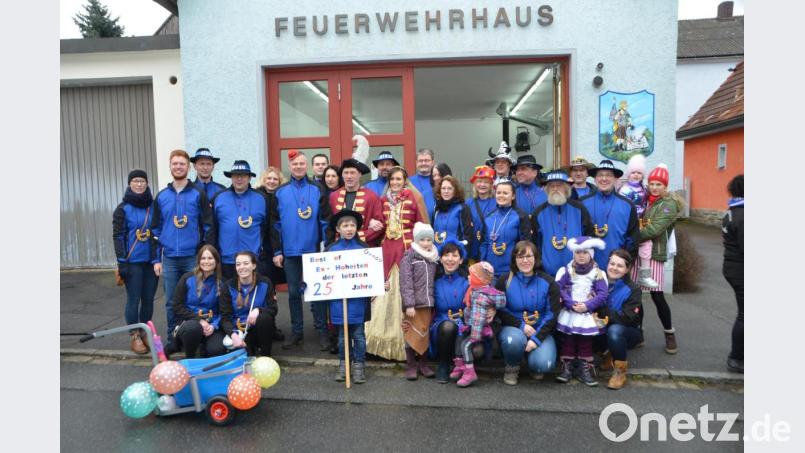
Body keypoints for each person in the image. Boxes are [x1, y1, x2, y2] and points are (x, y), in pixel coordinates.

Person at [365, 166, 428, 361]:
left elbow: (421, 225)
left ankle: (407, 346)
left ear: (405, 180)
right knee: (384, 294)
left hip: (407, 251)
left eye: (398, 179)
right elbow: (378, 225)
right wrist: (366, 232)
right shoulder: (382, 200)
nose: (395, 182)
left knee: (406, 295)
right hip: (387, 251)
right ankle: (380, 345)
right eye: (392, 179)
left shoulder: (413, 198)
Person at [151, 149, 213, 347]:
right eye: (175, 163)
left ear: (188, 167)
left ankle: (195, 337)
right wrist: (156, 259)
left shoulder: (198, 193)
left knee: (195, 299)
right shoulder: (161, 196)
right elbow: (155, 229)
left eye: (182, 164)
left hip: (191, 257)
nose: (178, 167)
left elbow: (207, 225)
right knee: (171, 301)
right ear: (170, 166)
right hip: (169, 258)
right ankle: (173, 337)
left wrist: (202, 252)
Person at [271, 149, 331, 350]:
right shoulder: (280, 192)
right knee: (294, 293)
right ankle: (297, 332)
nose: (298, 167)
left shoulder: (317, 188)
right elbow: (275, 224)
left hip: (314, 251)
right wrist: (277, 251)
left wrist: (325, 248)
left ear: (307, 166)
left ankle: (322, 332)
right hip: (290, 252)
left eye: (301, 164)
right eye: (295, 164)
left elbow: (325, 221)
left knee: (318, 293)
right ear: (290, 167)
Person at [495, 241, 560, 385]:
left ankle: (533, 362)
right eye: (520, 256)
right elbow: (500, 310)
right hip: (514, 330)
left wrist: (536, 339)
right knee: (514, 341)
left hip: (540, 331)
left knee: (543, 365)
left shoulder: (548, 282)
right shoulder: (504, 280)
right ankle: (512, 365)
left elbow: (552, 314)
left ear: (536, 258)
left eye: (529, 256)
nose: (525, 260)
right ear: (514, 259)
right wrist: (521, 325)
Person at [633, 163, 683, 354]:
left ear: (665, 186)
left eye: (659, 184)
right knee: (636, 295)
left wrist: (631, 235)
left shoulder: (668, 204)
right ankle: (638, 333)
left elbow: (655, 229)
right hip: (639, 253)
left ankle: (669, 334)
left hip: (655, 254)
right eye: (652, 183)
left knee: (657, 296)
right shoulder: (646, 199)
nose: (654, 187)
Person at [113, 169, 159, 354]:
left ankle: (145, 331)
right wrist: (121, 261)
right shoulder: (122, 209)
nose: (139, 184)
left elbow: (157, 232)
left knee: (148, 300)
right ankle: (134, 335)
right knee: (133, 299)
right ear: (130, 184)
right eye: (135, 181)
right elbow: (118, 236)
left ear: (147, 184)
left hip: (151, 261)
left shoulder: (154, 207)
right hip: (132, 263)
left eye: (142, 181)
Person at [554, 237, 609, 387]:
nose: (581, 255)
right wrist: (570, 303)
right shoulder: (566, 270)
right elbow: (558, 289)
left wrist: (587, 305)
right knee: (569, 339)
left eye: (585, 252)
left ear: (591, 254)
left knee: (585, 340)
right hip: (570, 310)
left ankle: (585, 367)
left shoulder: (597, 272)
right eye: (578, 252)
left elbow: (602, 294)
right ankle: (567, 366)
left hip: (586, 312)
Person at [325, 210, 372, 383]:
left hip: (359, 303)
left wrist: (379, 283)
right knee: (342, 338)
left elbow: (372, 275)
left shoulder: (365, 250)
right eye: (345, 225)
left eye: (352, 225)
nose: (349, 228)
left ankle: (359, 366)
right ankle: (344, 366)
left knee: (359, 336)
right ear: (338, 229)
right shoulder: (330, 250)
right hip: (338, 303)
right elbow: (321, 276)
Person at [208, 161, 272, 280]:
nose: (239, 178)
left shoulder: (261, 198)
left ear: (249, 178)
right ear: (231, 178)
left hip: (253, 260)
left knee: (252, 296)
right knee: (228, 295)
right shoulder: (219, 197)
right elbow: (212, 230)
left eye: (243, 175)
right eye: (235, 175)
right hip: (227, 260)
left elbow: (268, 229)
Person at [450, 261, 506, 387]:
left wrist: (474, 335)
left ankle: (470, 372)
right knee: (459, 337)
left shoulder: (480, 296)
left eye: (472, 276)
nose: (468, 277)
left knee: (465, 344)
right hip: (472, 324)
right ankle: (460, 365)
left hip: (479, 328)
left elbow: (478, 318)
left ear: (480, 280)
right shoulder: (475, 289)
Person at [596, 249, 644, 390]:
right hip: (603, 326)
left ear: (627, 269)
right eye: (612, 263)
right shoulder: (599, 282)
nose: (614, 268)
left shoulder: (633, 290)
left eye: (620, 266)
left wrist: (603, 313)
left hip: (628, 332)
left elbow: (627, 318)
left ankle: (620, 371)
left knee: (615, 331)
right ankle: (607, 353)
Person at [580, 159, 639, 270]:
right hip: (586, 269)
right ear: (595, 179)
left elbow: (632, 240)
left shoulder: (627, 206)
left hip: (616, 269)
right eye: (600, 175)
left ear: (616, 179)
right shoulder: (582, 203)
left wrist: (625, 264)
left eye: (608, 175)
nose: (604, 179)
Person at [532, 170, 594, 276]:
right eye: (552, 186)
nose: (555, 189)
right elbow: (535, 243)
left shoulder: (579, 209)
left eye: (559, 185)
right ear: (547, 189)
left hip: (577, 275)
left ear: (566, 188)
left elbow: (589, 238)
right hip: (547, 276)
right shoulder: (538, 212)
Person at [399, 222, 440, 380]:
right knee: (410, 333)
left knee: (424, 334)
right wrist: (409, 304)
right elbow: (406, 282)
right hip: (413, 306)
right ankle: (411, 365)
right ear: (416, 241)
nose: (426, 243)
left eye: (429, 240)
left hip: (428, 304)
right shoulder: (409, 257)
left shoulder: (434, 258)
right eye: (422, 240)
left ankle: (423, 364)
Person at [170, 245, 227, 359]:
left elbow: (225, 310)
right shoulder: (187, 278)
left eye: (210, 258)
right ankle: (189, 360)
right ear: (198, 261)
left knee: (217, 349)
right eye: (203, 258)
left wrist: (214, 325)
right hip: (189, 324)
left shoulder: (222, 282)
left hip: (211, 325)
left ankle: (204, 351)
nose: (206, 261)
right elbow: (177, 306)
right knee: (193, 329)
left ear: (216, 261)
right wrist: (199, 320)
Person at [219, 251, 278, 357]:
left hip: (259, 328)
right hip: (239, 331)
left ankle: (266, 355)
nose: (242, 267)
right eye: (238, 264)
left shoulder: (265, 282)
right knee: (247, 359)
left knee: (264, 318)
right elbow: (225, 317)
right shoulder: (228, 286)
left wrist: (259, 310)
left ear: (254, 265)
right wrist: (233, 335)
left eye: (246, 263)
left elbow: (273, 309)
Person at [429, 240, 470, 383]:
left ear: (461, 260)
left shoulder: (468, 282)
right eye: (446, 255)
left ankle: (466, 366)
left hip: (464, 326)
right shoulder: (434, 281)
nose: (450, 259)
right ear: (440, 259)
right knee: (448, 326)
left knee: (478, 351)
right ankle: (443, 364)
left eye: (455, 255)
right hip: (441, 327)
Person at [618, 154, 659, 288]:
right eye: (633, 172)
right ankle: (622, 279)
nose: (636, 175)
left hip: (641, 223)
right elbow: (622, 208)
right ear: (629, 174)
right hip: (629, 224)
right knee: (627, 252)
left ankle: (644, 276)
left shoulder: (644, 189)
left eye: (639, 173)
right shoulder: (625, 189)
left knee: (646, 245)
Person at [479, 178, 532, 278]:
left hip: (512, 272)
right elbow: (484, 243)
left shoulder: (520, 216)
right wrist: (483, 263)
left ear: (513, 196)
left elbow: (525, 245)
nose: (501, 196)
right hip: (490, 271)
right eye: (498, 193)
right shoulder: (488, 217)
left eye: (505, 193)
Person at [328, 158, 385, 247]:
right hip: (340, 247)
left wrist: (360, 237)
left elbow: (380, 226)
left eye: (352, 173)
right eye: (346, 173)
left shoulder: (372, 196)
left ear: (359, 174)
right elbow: (329, 224)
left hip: (364, 246)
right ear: (342, 175)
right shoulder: (333, 196)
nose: (349, 176)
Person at [722, 174, 743, 373]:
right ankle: (736, 358)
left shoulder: (732, 211)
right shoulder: (743, 215)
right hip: (740, 270)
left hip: (731, 266)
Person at [255, 166, 286, 286]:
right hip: (262, 245)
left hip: (278, 243)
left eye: (275, 179)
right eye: (269, 178)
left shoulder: (282, 197)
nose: (271, 181)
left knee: (275, 279)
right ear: (264, 180)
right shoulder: (257, 196)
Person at [432, 176, 473, 254]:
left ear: (455, 191)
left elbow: (467, 237)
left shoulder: (462, 208)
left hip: (454, 257)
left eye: (449, 188)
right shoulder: (436, 208)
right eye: (443, 188)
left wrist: (461, 257)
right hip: (437, 257)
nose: (446, 191)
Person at [466, 166, 497, 261]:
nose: (482, 185)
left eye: (486, 182)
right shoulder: (468, 203)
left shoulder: (497, 203)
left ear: (491, 185)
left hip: (490, 248)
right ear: (475, 184)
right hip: (472, 248)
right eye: (479, 181)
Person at [409, 148, 437, 218]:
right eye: (420, 161)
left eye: (427, 160)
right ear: (416, 163)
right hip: (415, 224)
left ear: (433, 162)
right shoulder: (408, 182)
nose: (423, 163)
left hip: (436, 225)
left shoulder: (438, 181)